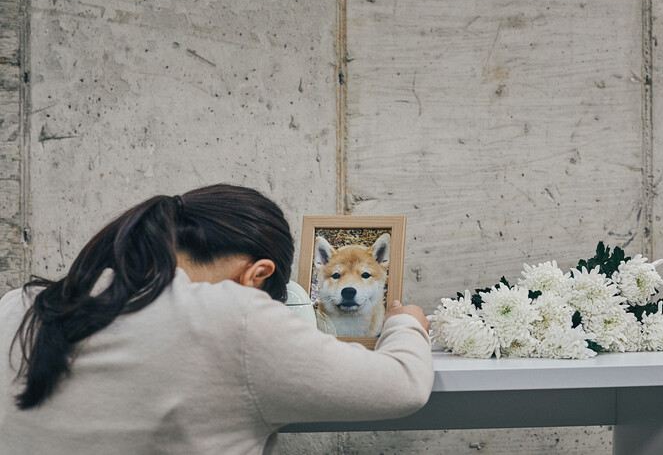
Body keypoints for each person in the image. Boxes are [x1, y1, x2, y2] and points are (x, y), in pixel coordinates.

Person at [0, 184, 433, 455]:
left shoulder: (21, 303)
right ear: (258, 275)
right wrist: (407, 321)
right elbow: (401, 386)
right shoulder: (235, 316)